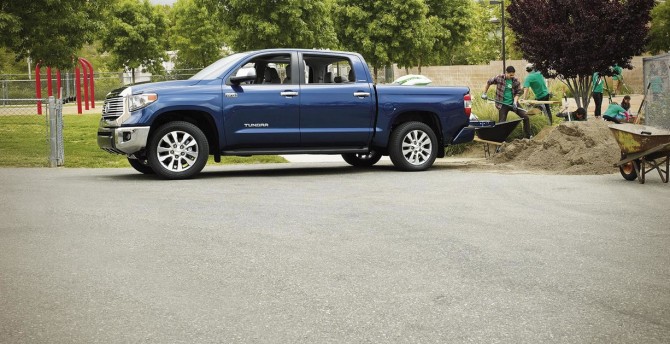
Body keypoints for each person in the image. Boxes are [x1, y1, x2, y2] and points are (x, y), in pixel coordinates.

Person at [482, 66, 533, 139]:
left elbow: (518, 93)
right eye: (510, 75)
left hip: (513, 103)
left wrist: (515, 102)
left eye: (513, 75)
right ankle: (500, 140)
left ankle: (528, 136)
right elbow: (489, 82)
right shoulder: (499, 78)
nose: (512, 76)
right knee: (502, 123)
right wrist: (484, 93)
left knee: (525, 117)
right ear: (506, 73)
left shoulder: (515, 81)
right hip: (502, 104)